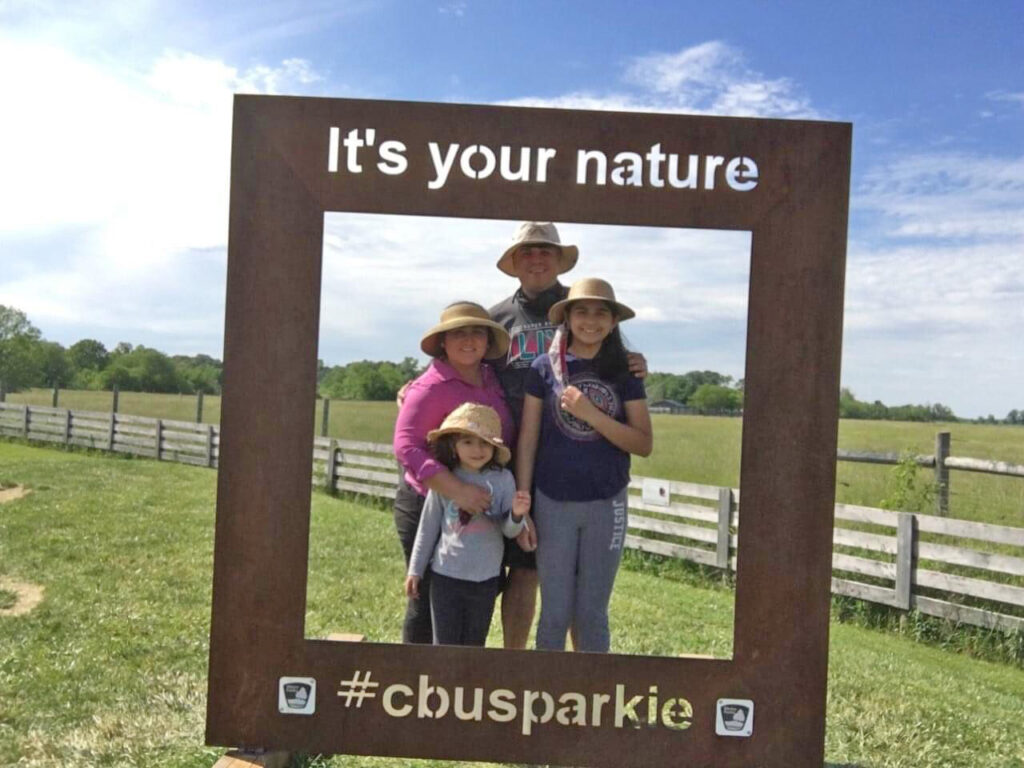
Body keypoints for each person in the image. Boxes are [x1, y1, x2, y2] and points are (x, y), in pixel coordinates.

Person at [489, 222, 647, 649]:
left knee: (586, 596)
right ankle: (518, 667)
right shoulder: (498, 318)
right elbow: (461, 357)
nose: (537, 259)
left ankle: (583, 677)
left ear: (560, 260)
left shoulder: (582, 303)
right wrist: (419, 386)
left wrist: (634, 367)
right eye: (527, 251)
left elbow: (638, 425)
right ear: (514, 261)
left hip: (595, 477)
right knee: (525, 574)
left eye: (546, 251)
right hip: (522, 466)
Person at [393, 302, 514, 644]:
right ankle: (414, 674)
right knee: (427, 599)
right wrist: (457, 490)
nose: (469, 340)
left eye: (477, 332)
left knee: (476, 597)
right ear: (443, 342)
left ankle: (461, 674)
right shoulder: (430, 386)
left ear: (488, 342)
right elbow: (406, 446)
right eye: (459, 333)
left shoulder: (491, 378)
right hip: (428, 502)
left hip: (485, 504)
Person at [405, 403, 530, 646]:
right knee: (444, 645)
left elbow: (509, 531)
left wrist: (517, 515)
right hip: (445, 576)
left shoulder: (504, 480)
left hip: (486, 579)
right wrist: (415, 570)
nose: (477, 450)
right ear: (454, 445)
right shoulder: (446, 480)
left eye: (485, 443)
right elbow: (428, 527)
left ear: (494, 447)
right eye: (468, 442)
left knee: (474, 645)